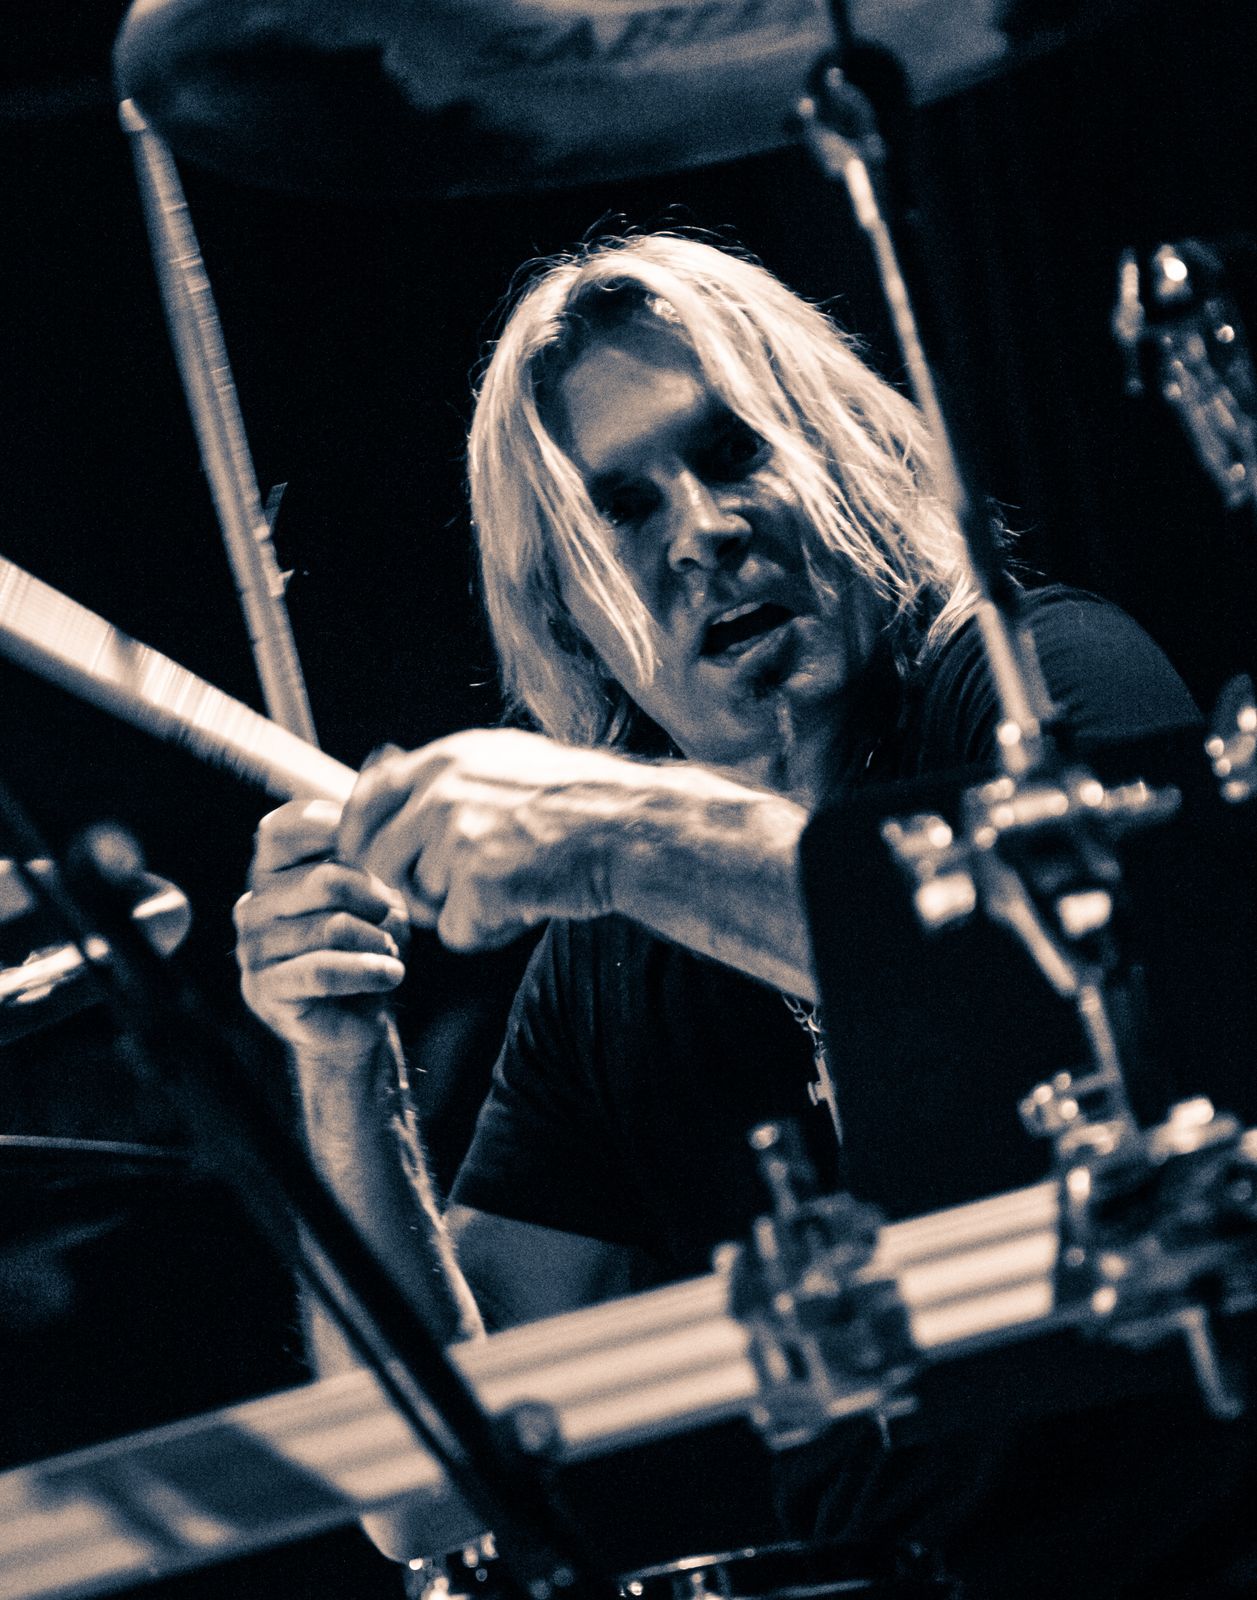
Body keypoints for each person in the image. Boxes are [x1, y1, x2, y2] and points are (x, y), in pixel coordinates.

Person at [234, 235, 1232, 1595]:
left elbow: (1090, 1005)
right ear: (573, 627)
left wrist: (621, 836)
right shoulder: (608, 956)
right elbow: (426, 1492)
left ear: (847, 461)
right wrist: (343, 1068)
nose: (702, 533)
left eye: (732, 453)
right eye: (623, 511)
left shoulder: (1032, 688)